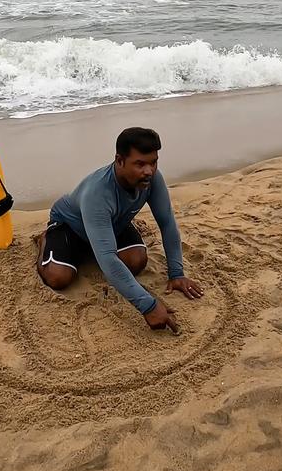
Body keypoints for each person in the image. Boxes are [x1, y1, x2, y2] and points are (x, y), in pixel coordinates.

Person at [36, 127, 203, 331]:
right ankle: (45, 239)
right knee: (58, 277)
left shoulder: (152, 178)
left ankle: (95, 246)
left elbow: (167, 222)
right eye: (140, 164)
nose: (148, 171)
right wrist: (148, 306)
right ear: (119, 160)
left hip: (112, 223)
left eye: (153, 162)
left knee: (136, 261)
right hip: (71, 227)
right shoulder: (97, 194)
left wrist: (177, 273)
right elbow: (108, 258)